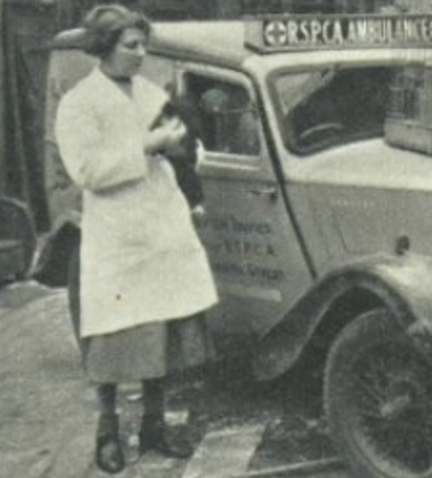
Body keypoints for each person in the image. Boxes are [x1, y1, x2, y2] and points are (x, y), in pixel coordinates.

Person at [55, 4, 218, 474]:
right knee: (113, 334)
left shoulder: (149, 92)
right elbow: (86, 170)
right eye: (131, 46)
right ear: (104, 47)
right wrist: (149, 145)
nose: (141, 53)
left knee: (160, 331)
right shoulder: (79, 103)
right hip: (118, 233)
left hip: (161, 228)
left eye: (144, 44)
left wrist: (188, 147)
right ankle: (107, 431)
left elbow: (183, 150)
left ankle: (153, 424)